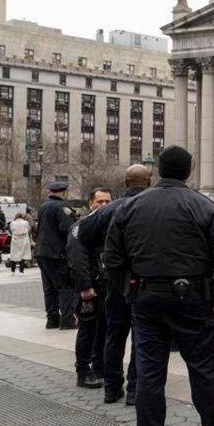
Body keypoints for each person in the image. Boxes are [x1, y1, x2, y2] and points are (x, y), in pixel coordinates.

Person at [104, 146, 214, 426]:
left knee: (148, 374)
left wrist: (130, 290)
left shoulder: (130, 207)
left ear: (157, 169)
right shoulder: (203, 206)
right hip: (193, 298)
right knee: (202, 370)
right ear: (189, 170)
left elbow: (112, 260)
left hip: (145, 297)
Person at [71, 167, 150, 405]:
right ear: (150, 181)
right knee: (140, 335)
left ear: (125, 182)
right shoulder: (154, 207)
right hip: (144, 280)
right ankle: (135, 388)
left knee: (114, 333)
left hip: (114, 280)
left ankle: (112, 386)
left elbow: (82, 234)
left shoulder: (108, 210)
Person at [67, 187, 114, 389]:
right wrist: (85, 286)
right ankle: (83, 371)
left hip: (106, 285)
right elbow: (77, 259)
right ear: (90, 204)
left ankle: (99, 366)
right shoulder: (82, 227)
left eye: (107, 202)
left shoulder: (110, 227)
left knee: (103, 328)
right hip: (91, 286)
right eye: (99, 202)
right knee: (88, 328)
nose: (103, 206)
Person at [35, 181, 78, 330]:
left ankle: (52, 319)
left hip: (42, 252)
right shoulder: (61, 207)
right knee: (66, 286)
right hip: (57, 253)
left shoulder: (44, 206)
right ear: (64, 192)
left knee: (49, 287)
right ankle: (67, 319)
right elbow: (68, 229)